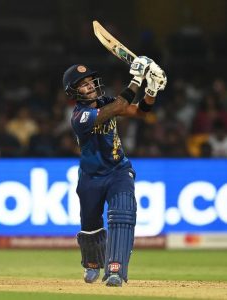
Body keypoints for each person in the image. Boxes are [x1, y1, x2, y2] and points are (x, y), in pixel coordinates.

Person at [62, 57, 167, 287]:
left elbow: (140, 112)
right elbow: (119, 106)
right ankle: (92, 263)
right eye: (83, 83)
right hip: (90, 177)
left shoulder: (105, 101)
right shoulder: (80, 117)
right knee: (90, 226)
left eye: (91, 81)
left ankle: (115, 270)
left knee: (123, 214)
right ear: (74, 91)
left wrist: (151, 89)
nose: (90, 85)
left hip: (119, 170)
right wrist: (137, 78)